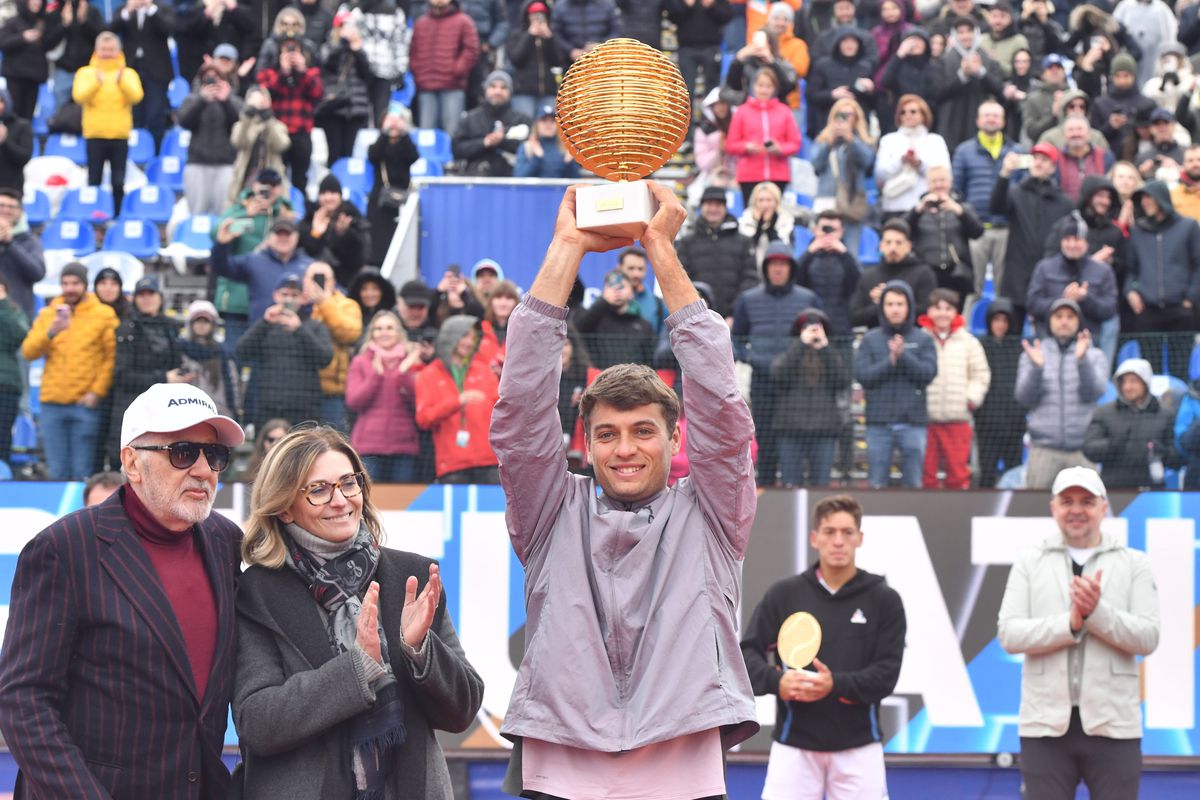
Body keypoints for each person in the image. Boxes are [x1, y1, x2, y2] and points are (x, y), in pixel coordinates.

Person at [491, 181, 759, 798]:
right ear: (584, 442)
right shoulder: (551, 512)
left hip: (683, 757)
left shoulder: (713, 514)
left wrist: (660, 249)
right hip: (560, 760)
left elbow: (722, 410)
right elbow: (521, 411)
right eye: (607, 434)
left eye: (643, 431)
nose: (625, 449)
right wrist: (566, 248)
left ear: (675, 437)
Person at [0, 382, 245, 799]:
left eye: (215, 454)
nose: (204, 470)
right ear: (132, 463)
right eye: (183, 452)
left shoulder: (226, 541)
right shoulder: (63, 548)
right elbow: (24, 700)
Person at [233, 425, 484, 798]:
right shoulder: (258, 592)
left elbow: (462, 710)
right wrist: (357, 670)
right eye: (319, 489)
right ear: (284, 507)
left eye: (349, 483)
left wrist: (420, 652)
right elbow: (258, 722)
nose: (340, 500)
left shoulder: (412, 575)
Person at [997, 466, 1160, 800]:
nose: (1076, 510)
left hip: (1115, 725)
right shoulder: (1030, 561)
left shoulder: (1134, 563)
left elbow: (1147, 637)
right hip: (1044, 726)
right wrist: (1069, 624)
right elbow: (1010, 635)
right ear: (1053, 507)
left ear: (1104, 507)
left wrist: (1096, 614)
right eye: (1067, 501)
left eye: (1087, 501)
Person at [741, 494, 905, 799]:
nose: (838, 541)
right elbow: (745, 656)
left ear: (860, 538)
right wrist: (778, 681)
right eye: (830, 532)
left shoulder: (884, 599)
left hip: (860, 748)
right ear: (815, 538)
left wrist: (834, 685)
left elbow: (886, 675)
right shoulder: (784, 594)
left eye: (847, 532)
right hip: (793, 747)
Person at [733, 241, 822, 485]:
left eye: (783, 264)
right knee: (765, 439)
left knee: (796, 439)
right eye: (773, 264)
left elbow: (821, 333)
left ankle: (796, 491)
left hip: (798, 383)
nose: (778, 269)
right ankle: (767, 488)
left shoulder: (808, 298)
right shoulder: (748, 299)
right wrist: (750, 357)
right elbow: (736, 338)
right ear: (766, 268)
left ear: (791, 268)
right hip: (762, 381)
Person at [21, 263, 118, 480]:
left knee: (82, 473)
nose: (70, 288)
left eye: (75, 283)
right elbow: (28, 351)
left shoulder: (103, 314)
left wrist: (97, 392)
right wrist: (51, 332)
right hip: (52, 403)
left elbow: (111, 359)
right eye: (65, 283)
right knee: (57, 472)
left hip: (84, 404)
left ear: (84, 285)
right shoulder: (49, 313)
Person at [1015, 298, 1109, 489]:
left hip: (1083, 450)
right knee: (1036, 506)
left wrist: (1082, 361)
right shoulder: (1033, 354)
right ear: (1050, 321)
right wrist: (1037, 368)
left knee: (1087, 503)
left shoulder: (1094, 355)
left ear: (1078, 322)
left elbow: (1095, 392)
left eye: (1070, 317)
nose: (1064, 321)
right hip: (1043, 450)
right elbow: (1023, 397)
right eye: (1058, 316)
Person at [855, 279, 938, 488]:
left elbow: (928, 374)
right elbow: (863, 376)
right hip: (878, 424)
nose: (895, 309)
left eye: (900, 304)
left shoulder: (924, 339)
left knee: (913, 484)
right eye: (890, 304)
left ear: (909, 306)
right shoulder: (870, 339)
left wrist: (904, 356)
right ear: (882, 307)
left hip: (913, 424)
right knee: (877, 483)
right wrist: (890, 361)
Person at [105, 276, 189, 466]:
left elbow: (176, 362)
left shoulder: (170, 326)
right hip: (132, 409)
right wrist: (164, 378)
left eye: (150, 293)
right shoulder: (127, 328)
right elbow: (121, 376)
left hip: (164, 410)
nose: (146, 298)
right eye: (141, 294)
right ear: (135, 299)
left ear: (160, 297)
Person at [235, 272, 334, 431]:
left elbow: (325, 358)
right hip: (268, 407)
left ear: (303, 298)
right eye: (284, 294)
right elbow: (241, 352)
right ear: (275, 296)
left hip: (303, 409)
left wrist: (299, 329)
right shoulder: (265, 325)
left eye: (294, 295)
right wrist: (265, 322)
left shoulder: (315, 326)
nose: (289, 299)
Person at [992, 142, 1074, 331]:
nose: (1038, 163)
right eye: (1036, 158)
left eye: (1044, 160)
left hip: (1050, 277)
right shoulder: (1016, 193)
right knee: (1012, 333)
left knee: (1047, 335)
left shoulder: (1065, 202)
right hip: (1016, 275)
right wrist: (1004, 174)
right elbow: (995, 207)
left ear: (1053, 167)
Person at [1125, 180, 1200, 380]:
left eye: (1148, 197)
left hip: (1181, 310)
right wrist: (1130, 291)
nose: (1145, 202)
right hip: (1148, 311)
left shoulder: (1188, 226)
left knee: (1180, 370)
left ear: (1162, 198)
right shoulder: (1137, 231)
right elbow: (1130, 270)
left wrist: (1190, 298)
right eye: (1142, 199)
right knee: (1150, 371)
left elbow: (1198, 265)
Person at [918, 288, 991, 488]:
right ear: (929, 311)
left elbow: (980, 374)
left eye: (948, 308)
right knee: (926, 476)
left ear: (955, 312)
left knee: (958, 476)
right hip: (925, 421)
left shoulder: (969, 342)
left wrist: (971, 399)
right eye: (937, 308)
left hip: (958, 420)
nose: (942, 313)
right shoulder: (919, 339)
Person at [414, 314, 500, 483]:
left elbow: (502, 412)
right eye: (464, 336)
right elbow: (424, 418)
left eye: (473, 338)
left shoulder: (484, 371)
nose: (469, 342)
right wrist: (457, 402)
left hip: (490, 462)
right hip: (453, 465)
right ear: (449, 338)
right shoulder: (428, 375)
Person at [770, 308, 850, 486]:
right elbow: (779, 376)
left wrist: (824, 347)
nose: (813, 332)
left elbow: (842, 381)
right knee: (790, 485)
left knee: (821, 486)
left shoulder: (832, 353)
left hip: (824, 430)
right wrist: (801, 344)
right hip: (790, 429)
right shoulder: (788, 351)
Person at [346, 310, 424, 483]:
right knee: (370, 497)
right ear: (372, 333)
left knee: (402, 498)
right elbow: (354, 401)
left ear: (399, 333)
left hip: (404, 445)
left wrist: (403, 373)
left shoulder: (412, 360)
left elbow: (419, 401)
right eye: (379, 328)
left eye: (389, 328)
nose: (384, 332)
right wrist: (376, 376)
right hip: (369, 445)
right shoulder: (360, 361)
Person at [73, 31, 144, 218]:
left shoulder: (128, 73)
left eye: (111, 49)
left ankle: (117, 216)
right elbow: (79, 96)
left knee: (118, 181)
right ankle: (94, 216)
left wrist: (122, 82)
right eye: (103, 49)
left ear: (118, 51)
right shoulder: (86, 73)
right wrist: (96, 83)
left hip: (119, 134)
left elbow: (137, 97)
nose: (107, 53)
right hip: (94, 133)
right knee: (93, 179)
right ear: (96, 50)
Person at [953, 100, 1018, 297]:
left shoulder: (1017, 151)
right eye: (986, 115)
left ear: (1003, 121)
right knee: (972, 289)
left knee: (1004, 290)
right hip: (976, 230)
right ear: (978, 120)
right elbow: (956, 189)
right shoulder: (964, 151)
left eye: (996, 115)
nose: (991, 119)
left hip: (1006, 229)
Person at [1083, 357, 1180, 489]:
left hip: (1152, 489)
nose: (1128, 387)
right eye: (1124, 382)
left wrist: (1164, 452)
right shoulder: (1104, 412)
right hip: (1114, 490)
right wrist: (1112, 444)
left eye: (1133, 381)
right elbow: (1089, 449)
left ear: (1145, 382)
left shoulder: (1165, 414)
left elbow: (1180, 457)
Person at [1026, 211, 1118, 340]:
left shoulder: (1103, 271)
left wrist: (1085, 298)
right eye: (1067, 239)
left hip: (1089, 341)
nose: (1072, 245)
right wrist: (1063, 299)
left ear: (1086, 242)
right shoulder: (1044, 268)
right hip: (1049, 340)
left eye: (1077, 239)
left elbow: (1110, 309)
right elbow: (1032, 304)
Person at [213, 216, 314, 329]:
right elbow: (222, 268)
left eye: (288, 234)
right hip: (260, 332)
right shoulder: (254, 260)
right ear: (269, 237)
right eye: (279, 234)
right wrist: (221, 244)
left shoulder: (310, 266)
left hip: (300, 332)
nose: (283, 238)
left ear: (297, 237)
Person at [676, 186, 760, 319]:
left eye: (718, 205)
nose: (713, 209)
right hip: (698, 318)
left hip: (735, 320)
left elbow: (750, 279)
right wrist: (698, 312)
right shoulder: (687, 242)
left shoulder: (744, 241)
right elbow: (682, 280)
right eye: (709, 204)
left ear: (725, 208)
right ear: (701, 207)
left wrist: (734, 314)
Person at [257, 35, 323, 193]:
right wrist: (284, 72)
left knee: (300, 179)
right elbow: (266, 94)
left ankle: (300, 205)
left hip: (301, 133)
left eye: (295, 49)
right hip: (277, 133)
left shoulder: (311, 72)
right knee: (275, 178)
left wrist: (302, 71)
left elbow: (318, 93)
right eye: (287, 49)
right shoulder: (270, 73)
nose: (291, 54)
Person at [907, 164, 984, 300]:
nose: (938, 185)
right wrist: (917, 211)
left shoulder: (963, 207)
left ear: (950, 182)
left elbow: (978, 232)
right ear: (927, 184)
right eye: (934, 181)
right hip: (927, 272)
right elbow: (901, 230)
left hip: (956, 274)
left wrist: (960, 212)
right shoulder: (919, 210)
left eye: (942, 180)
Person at [810, 97, 874, 254]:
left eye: (848, 115)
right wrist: (829, 142)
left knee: (850, 252)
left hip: (851, 204)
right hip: (827, 201)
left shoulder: (863, 141)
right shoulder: (823, 140)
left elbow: (867, 162)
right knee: (823, 250)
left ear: (856, 118)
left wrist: (851, 140)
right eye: (840, 114)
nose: (844, 119)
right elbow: (816, 165)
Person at [849, 218, 938, 329]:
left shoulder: (923, 273)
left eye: (898, 243)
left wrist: (891, 300)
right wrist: (881, 305)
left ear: (909, 246)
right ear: (881, 246)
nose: (893, 248)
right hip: (876, 336)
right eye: (888, 242)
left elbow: (929, 312)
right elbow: (854, 317)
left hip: (914, 335)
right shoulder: (868, 276)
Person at [179, 61, 242, 217]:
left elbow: (240, 125)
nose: (212, 81)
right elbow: (184, 122)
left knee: (225, 213)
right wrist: (201, 100)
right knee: (197, 213)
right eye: (208, 78)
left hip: (226, 164)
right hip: (197, 163)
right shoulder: (192, 100)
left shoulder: (233, 101)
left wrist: (226, 101)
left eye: (216, 77)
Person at [975, 297, 1026, 487]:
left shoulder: (1019, 348)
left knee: (1014, 474)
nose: (1000, 325)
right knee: (987, 474)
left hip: (1014, 424)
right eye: (996, 319)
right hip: (987, 424)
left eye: (1005, 320)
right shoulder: (979, 346)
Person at [875, 95, 951, 220]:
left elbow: (944, 172)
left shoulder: (935, 140)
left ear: (923, 115)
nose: (908, 115)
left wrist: (919, 164)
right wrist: (901, 161)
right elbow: (880, 174)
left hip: (926, 206)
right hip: (895, 205)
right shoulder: (888, 140)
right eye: (903, 112)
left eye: (913, 111)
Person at [110, 0, 174, 148]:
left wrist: (150, 9)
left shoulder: (162, 8)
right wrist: (128, 11)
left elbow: (169, 28)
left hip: (157, 72)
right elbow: (110, 30)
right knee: (134, 115)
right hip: (131, 69)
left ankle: (155, 152)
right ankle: (134, 151)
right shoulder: (124, 9)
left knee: (155, 116)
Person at [409, 0, 480, 132]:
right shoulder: (421, 23)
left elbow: (471, 50)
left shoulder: (464, 21)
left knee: (452, 132)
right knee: (427, 134)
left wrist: (457, 70)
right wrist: (418, 73)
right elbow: (413, 52)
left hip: (452, 86)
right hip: (426, 86)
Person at [316, 17, 373, 165]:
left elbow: (367, 75)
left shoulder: (360, 49)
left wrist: (357, 52)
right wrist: (342, 43)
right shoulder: (328, 47)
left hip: (355, 108)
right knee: (334, 153)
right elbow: (328, 65)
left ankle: (346, 178)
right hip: (334, 108)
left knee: (349, 154)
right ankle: (334, 179)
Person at [367, 106, 420, 267]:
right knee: (380, 242)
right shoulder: (378, 145)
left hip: (403, 198)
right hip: (380, 200)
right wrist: (386, 132)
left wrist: (403, 132)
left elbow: (413, 156)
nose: (394, 124)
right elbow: (374, 155)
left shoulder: (406, 145)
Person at [795, 210, 862, 336]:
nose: (828, 235)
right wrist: (809, 252)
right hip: (811, 324)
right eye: (824, 229)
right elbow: (794, 280)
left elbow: (858, 284)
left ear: (842, 232)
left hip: (841, 327)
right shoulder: (807, 257)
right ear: (815, 230)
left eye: (833, 230)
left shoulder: (848, 258)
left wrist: (844, 254)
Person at [805, 28, 876, 143]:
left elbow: (874, 102)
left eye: (853, 41)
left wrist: (870, 89)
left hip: (857, 125)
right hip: (828, 122)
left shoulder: (866, 67)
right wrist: (832, 95)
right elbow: (811, 94)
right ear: (837, 43)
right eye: (845, 41)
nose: (849, 45)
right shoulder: (822, 66)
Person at [300, 174, 371, 287]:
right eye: (323, 193)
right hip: (313, 279)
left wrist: (342, 235)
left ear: (340, 196)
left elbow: (360, 258)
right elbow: (305, 253)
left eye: (333, 193)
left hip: (345, 281)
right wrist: (315, 233)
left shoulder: (353, 219)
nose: (328, 198)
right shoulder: (309, 219)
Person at [666, 0, 733, 117]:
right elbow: (671, 16)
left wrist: (712, 6)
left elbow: (727, 16)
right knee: (685, 91)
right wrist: (685, 6)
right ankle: (686, 127)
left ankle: (711, 125)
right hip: (686, 47)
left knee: (712, 92)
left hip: (711, 47)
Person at [347, 0, 411, 121]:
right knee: (359, 116)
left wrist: (401, 70)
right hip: (359, 71)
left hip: (385, 71)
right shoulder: (355, 11)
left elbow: (400, 43)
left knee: (380, 116)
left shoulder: (395, 12)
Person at [0, 0, 61, 124]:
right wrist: (22, 37)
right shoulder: (14, 22)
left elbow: (48, 44)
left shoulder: (42, 22)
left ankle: (25, 136)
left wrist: (63, 26)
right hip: (15, 76)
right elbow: (3, 43)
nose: (37, 2)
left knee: (28, 117)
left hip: (33, 77)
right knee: (13, 114)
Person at [179, 299, 241, 421]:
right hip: (185, 409)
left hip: (217, 410)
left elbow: (233, 383)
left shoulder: (223, 352)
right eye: (198, 320)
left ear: (213, 325)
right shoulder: (179, 349)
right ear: (191, 324)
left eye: (206, 321)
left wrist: (234, 408)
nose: (201, 325)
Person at [229, 86, 291, 202]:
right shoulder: (241, 125)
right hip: (246, 176)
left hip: (271, 176)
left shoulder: (277, 125)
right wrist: (247, 117)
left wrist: (268, 120)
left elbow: (282, 145)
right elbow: (237, 142)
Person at [506, 0, 566, 119]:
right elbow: (516, 59)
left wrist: (549, 38)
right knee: (525, 125)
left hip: (547, 91)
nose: (538, 18)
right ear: (527, 16)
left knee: (548, 126)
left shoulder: (551, 35)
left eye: (541, 14)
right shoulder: (516, 35)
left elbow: (558, 60)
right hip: (524, 91)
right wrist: (530, 35)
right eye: (534, 14)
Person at [50, 0, 104, 112]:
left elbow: (101, 38)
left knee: (88, 109)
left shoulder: (92, 11)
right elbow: (48, 43)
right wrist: (64, 24)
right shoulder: (57, 11)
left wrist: (84, 21)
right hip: (63, 70)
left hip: (88, 70)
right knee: (60, 111)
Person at [0, 189, 44, 318]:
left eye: (11, 207)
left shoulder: (30, 240)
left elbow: (37, 273)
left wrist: (10, 244)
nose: (6, 210)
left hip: (19, 315)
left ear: (20, 211)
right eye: (1, 205)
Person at [0, 275, 26, 465]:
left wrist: (3, 304)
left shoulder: (13, 311)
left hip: (5, 385)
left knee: (2, 438)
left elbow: (19, 334)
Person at [739, 181, 796, 268]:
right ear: (755, 202)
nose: (764, 205)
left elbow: (785, 252)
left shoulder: (786, 222)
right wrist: (759, 228)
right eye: (760, 200)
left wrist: (770, 228)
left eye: (769, 200)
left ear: (776, 202)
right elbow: (745, 251)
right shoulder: (745, 221)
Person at [513, 104, 580, 179]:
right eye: (544, 120)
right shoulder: (527, 147)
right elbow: (519, 177)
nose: (548, 124)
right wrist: (536, 158)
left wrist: (569, 163)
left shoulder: (565, 148)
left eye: (552, 121)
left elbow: (575, 180)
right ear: (536, 125)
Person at [348, 266, 397, 332]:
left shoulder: (394, 316)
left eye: (375, 288)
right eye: (364, 289)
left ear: (383, 291)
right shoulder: (349, 317)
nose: (370, 294)